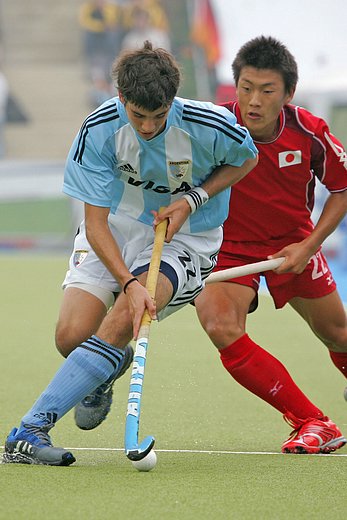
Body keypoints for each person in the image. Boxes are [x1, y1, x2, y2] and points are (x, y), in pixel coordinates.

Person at [2, 41, 258, 466]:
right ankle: (102, 372)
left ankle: (28, 432)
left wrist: (194, 198)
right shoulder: (99, 130)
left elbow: (245, 159)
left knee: (123, 317)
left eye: (159, 117)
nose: (149, 128)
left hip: (188, 238)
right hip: (117, 228)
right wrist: (129, 281)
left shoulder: (210, 124)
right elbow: (97, 223)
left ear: (172, 101)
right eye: (138, 116)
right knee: (72, 337)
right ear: (120, 97)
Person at [194, 36, 347, 454]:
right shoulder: (211, 127)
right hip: (226, 249)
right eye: (245, 88)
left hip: (292, 246)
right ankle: (314, 422)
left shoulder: (310, 131)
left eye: (267, 91)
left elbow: (342, 188)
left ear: (288, 94)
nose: (253, 101)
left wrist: (310, 246)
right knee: (219, 325)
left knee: (338, 335)